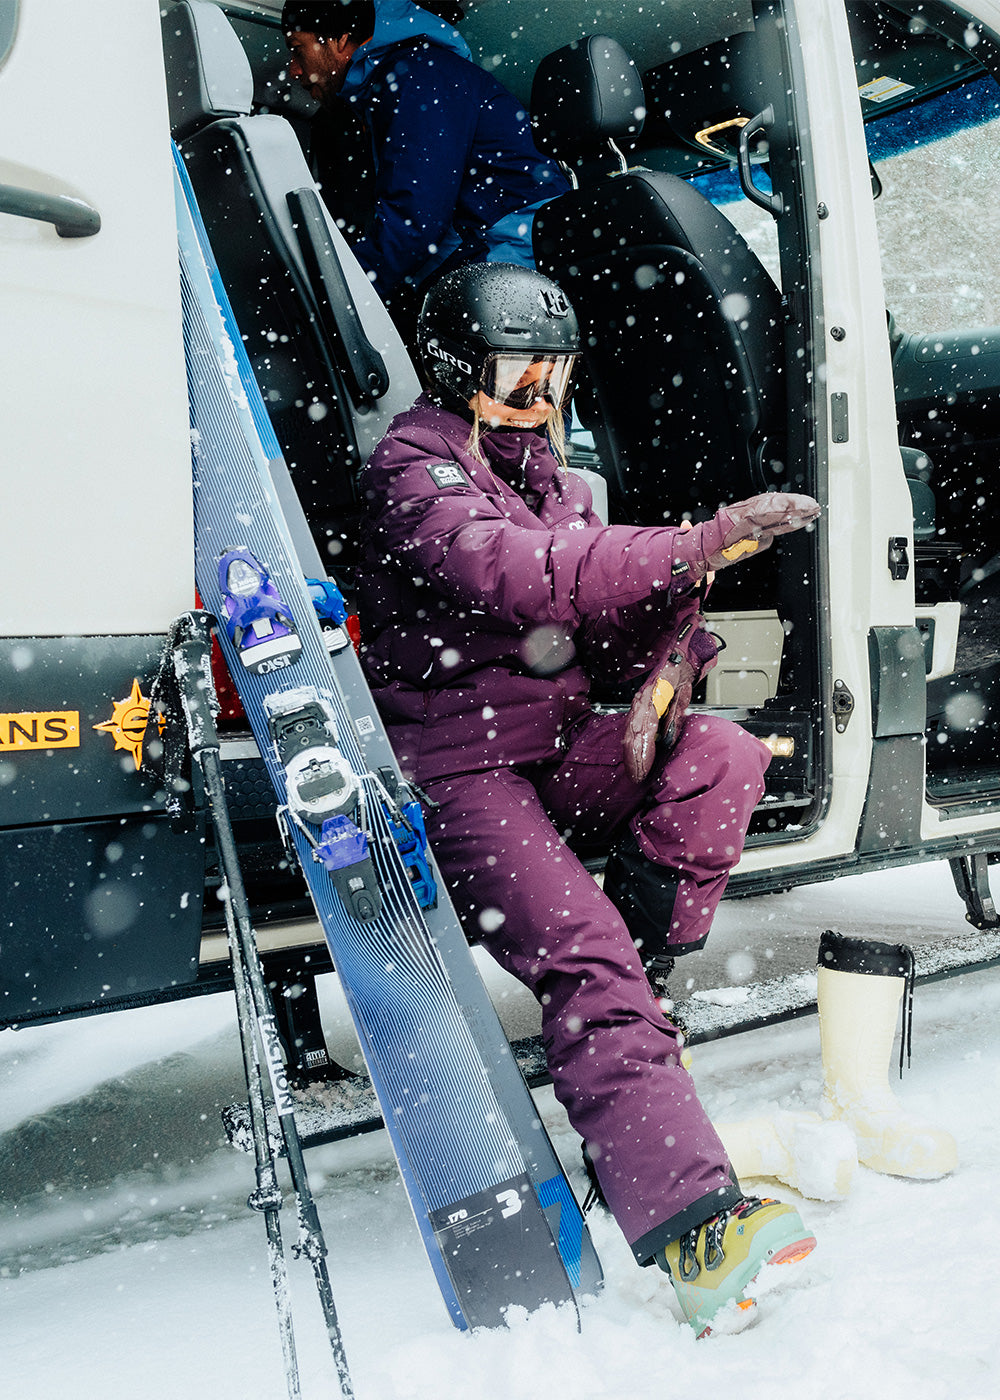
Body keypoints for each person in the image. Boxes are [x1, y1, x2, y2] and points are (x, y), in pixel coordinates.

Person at [357, 260, 823, 1336]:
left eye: (553, 375)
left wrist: (675, 613)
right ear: (452, 365)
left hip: (559, 749)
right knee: (582, 950)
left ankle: (629, 1027)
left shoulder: (556, 478)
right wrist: (689, 540)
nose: (537, 397)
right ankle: (695, 1226)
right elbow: (522, 574)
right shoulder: (412, 469)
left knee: (720, 754)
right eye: (517, 372)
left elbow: (586, 617)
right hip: (461, 766)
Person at [281, 1, 568, 332]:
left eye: (297, 50)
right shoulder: (395, 82)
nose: (294, 70)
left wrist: (333, 298)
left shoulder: (420, 74)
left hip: (509, 266)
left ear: (340, 40)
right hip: (486, 262)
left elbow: (414, 220)